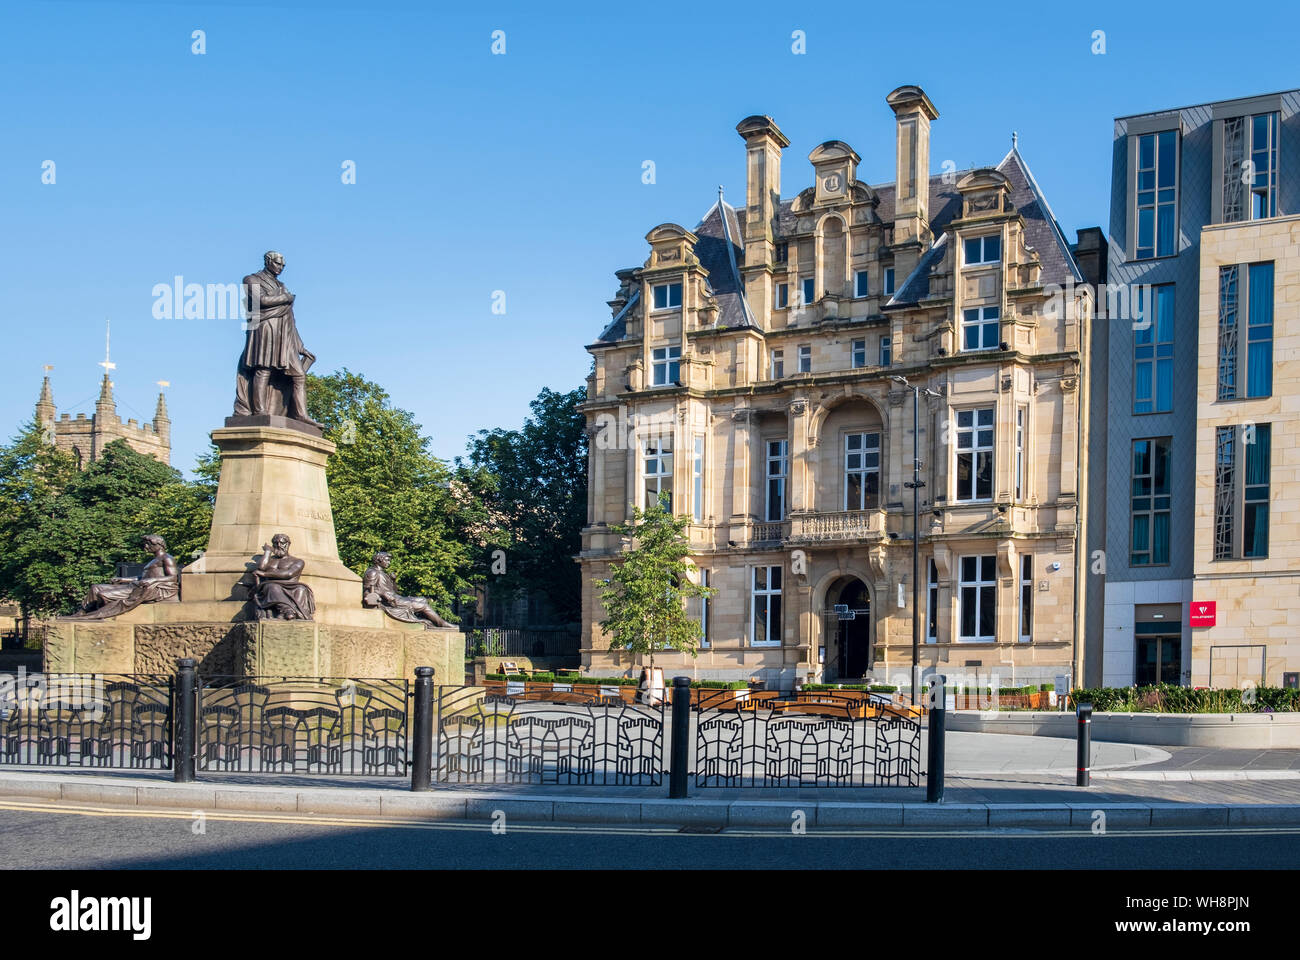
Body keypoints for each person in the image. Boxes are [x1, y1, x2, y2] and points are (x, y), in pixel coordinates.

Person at [233, 250, 322, 427]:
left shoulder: (281, 285)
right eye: (277, 263)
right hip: (265, 329)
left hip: (285, 335)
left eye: (283, 265)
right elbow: (262, 301)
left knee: (298, 374)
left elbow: (291, 318)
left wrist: (300, 346)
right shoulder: (251, 279)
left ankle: (301, 414)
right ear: (267, 261)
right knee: (263, 370)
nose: (280, 267)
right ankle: (260, 411)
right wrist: (286, 298)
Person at [69, 535, 179, 620]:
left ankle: (102, 616)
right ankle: (83, 612)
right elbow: (143, 577)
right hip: (136, 585)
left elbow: (173, 577)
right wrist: (123, 579)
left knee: (103, 595)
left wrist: (153, 580)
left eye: (148, 544)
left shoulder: (167, 558)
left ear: (158, 545)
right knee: (95, 588)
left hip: (148, 589)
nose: (145, 547)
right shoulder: (152, 560)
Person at [362, 552, 451, 629]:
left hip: (396, 597)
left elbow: (395, 591)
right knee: (423, 605)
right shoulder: (372, 572)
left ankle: (434, 623)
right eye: (386, 560)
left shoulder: (384, 574)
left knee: (422, 599)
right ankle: (441, 623)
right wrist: (382, 595)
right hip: (391, 601)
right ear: (379, 560)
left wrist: (393, 580)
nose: (388, 563)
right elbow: (368, 591)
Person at [250, 534, 315, 621]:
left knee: (302, 588)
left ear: (288, 544)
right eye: (276, 544)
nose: (279, 546)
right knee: (272, 587)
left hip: (291, 585)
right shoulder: (270, 560)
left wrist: (264, 574)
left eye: (282, 543)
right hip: (271, 585)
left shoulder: (297, 561)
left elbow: (289, 574)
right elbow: (261, 568)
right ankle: (288, 611)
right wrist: (268, 552)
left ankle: (290, 612)